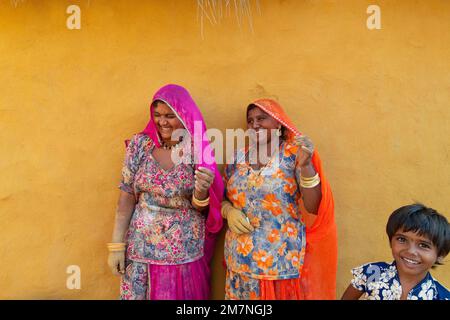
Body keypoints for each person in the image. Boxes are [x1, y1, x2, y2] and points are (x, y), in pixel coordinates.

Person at [107, 84, 223, 300]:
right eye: (157, 115)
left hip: (183, 249)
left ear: (184, 115)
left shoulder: (197, 149)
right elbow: (126, 197)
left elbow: (202, 207)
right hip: (140, 247)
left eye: (170, 115)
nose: (162, 121)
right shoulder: (139, 145)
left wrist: (201, 192)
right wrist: (116, 246)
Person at [221, 98, 337, 300]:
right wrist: (228, 212)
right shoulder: (238, 157)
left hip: (280, 262)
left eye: (261, 118)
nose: (255, 124)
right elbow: (221, 198)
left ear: (278, 122)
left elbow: (313, 206)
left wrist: (307, 165)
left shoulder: (293, 155)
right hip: (239, 260)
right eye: (250, 121)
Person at [341, 203, 450, 300]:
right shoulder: (373, 272)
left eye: (423, 245)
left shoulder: (442, 296)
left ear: (440, 254)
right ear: (390, 241)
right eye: (402, 239)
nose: (411, 251)